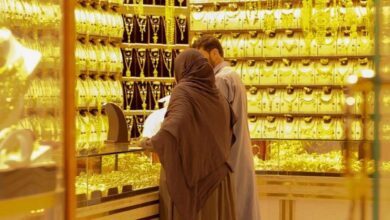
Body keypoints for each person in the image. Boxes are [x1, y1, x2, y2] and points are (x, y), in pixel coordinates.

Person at [140, 48, 237, 220]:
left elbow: (175, 125)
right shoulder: (217, 95)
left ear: (182, 69)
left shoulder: (184, 91)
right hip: (219, 181)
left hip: (193, 184)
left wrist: (149, 143)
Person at [192, 35, 261, 220]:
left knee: (233, 206)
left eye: (203, 59)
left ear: (215, 53)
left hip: (229, 156)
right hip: (238, 152)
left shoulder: (221, 80)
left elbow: (216, 123)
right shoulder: (233, 76)